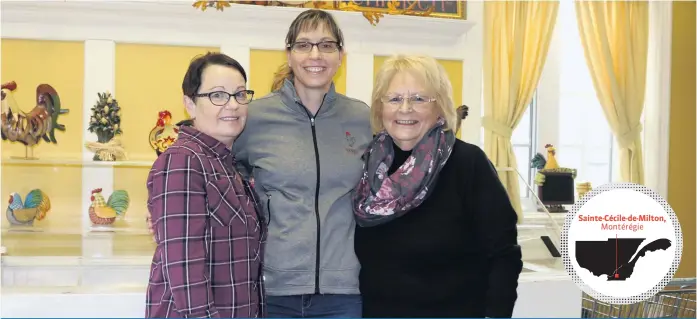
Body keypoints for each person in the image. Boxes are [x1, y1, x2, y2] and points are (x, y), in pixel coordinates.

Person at [353, 54, 523, 318]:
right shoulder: (368, 165)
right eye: (394, 98)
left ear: (440, 108)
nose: (405, 108)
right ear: (379, 107)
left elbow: (504, 253)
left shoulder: (468, 163)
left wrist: (496, 313)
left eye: (419, 99)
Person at [232, 9, 371, 318]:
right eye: (304, 44)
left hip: (343, 293)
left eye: (326, 45)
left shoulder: (363, 119)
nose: (315, 54)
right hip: (273, 291)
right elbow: (217, 171)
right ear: (289, 53)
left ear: (340, 55)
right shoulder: (253, 117)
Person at [145, 52, 266, 318]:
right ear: (189, 103)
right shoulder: (183, 162)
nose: (232, 105)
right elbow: (184, 271)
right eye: (218, 95)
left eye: (240, 94)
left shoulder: (225, 164)